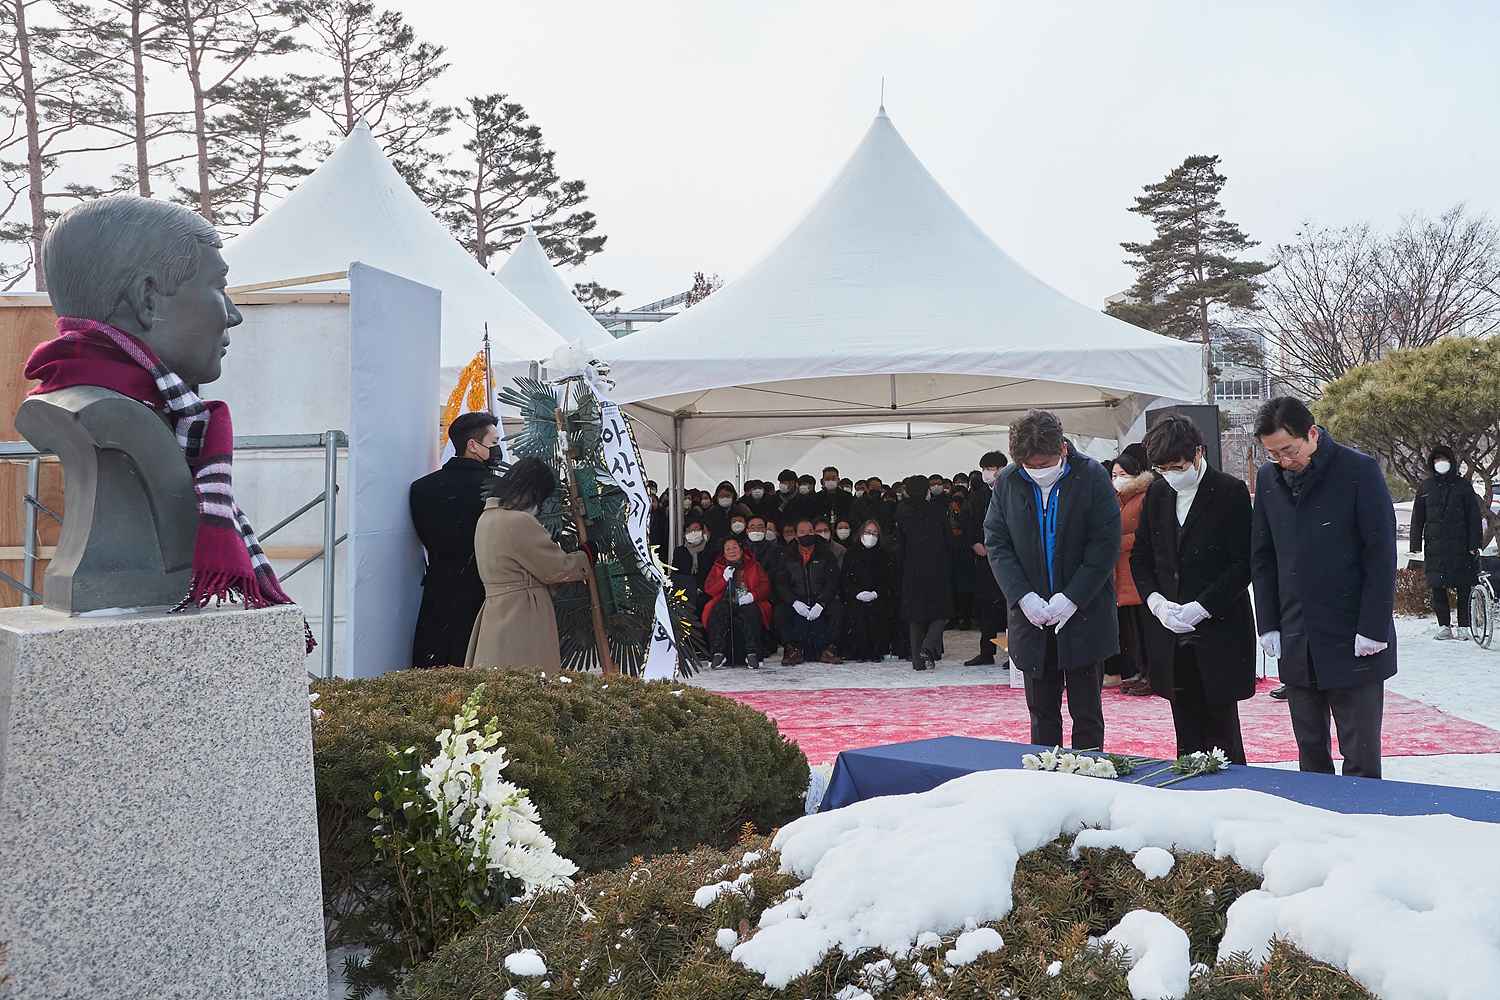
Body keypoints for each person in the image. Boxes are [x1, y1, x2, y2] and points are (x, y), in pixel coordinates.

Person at [1251, 397, 1396, 779]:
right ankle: (1316, 828)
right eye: (1273, 454)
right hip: (1297, 635)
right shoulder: (1269, 479)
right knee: (1310, 749)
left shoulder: (1358, 471)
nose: (1284, 461)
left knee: (1360, 752)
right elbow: (1263, 556)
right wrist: (1268, 623)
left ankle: (1363, 824)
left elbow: (1380, 555)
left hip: (1353, 633)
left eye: (1289, 450)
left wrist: (1373, 627)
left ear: (1312, 433)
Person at [985, 409, 1120, 750]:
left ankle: (1089, 771)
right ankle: (1046, 777)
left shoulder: (1091, 476)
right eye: (1031, 465)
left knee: (1087, 711)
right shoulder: (1009, 481)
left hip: (1085, 612)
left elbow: (1105, 544)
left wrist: (1072, 597)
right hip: (1032, 617)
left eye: (1045, 463)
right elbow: (997, 542)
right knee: (1041, 712)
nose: (1038, 471)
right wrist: (1023, 596)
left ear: (1062, 448)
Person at [1129, 417, 1255, 763]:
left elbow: (1242, 563)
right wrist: (1155, 602)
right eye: (1163, 468)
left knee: (1223, 731)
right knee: (1185, 727)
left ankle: (1233, 795)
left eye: (1178, 466)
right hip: (1170, 629)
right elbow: (1141, 557)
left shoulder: (1230, 491)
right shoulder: (1157, 492)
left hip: (1218, 626)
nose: (1171, 474)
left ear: (1198, 453)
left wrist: (1202, 607)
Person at [465, 458, 591, 674]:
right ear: (533, 491)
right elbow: (556, 568)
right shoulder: (518, 521)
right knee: (528, 679)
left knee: (500, 680)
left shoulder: (486, 518)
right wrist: (586, 556)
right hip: (522, 614)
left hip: (496, 611)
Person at [408, 412, 499, 668]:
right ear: (473, 445)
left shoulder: (421, 488)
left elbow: (425, 535)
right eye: (493, 443)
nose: (496, 450)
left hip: (439, 589)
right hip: (484, 591)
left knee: (435, 670)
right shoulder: (498, 489)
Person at [1410, 445, 1483, 640]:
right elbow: (1418, 518)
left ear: (1451, 462)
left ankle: (1464, 626)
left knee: (1463, 586)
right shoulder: (1426, 487)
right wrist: (1415, 544)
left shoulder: (1463, 486)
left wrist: (1474, 543)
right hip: (1435, 546)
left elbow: (1473, 517)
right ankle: (1444, 626)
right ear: (1432, 463)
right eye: (1436, 460)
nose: (1440, 463)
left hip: (1461, 546)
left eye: (1443, 459)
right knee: (1438, 587)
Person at [1104, 448, 1154, 694]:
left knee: (1146, 627)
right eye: (1114, 474)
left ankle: (1152, 674)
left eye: (1122, 473)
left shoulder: (1145, 497)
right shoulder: (1117, 499)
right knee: (1131, 629)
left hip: (1139, 571)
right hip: (1121, 574)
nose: (1117, 478)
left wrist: (1117, 543)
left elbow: (1148, 534)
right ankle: (1140, 671)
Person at [896, 473, 954, 671]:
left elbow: (900, 543)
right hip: (937, 567)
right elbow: (948, 539)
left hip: (911, 568)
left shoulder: (901, 511)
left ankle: (917, 660)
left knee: (915, 616)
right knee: (942, 611)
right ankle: (928, 646)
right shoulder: (937, 510)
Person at [774, 519, 843, 665]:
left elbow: (832, 581)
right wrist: (793, 602)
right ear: (796, 535)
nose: (807, 535)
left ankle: (829, 650)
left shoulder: (825, 552)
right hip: (797, 599)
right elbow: (781, 583)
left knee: (837, 609)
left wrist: (821, 602)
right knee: (780, 611)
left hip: (820, 598)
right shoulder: (786, 554)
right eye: (802, 532)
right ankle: (791, 650)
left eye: (810, 531)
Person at [964, 451, 1009, 666]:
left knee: (1011, 606)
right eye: (985, 469)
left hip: (1008, 558)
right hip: (984, 559)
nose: (988, 473)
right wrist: (974, 544)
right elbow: (969, 523)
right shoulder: (978, 496)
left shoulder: (1013, 491)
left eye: (992, 469)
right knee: (986, 606)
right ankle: (986, 651)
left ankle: (1014, 654)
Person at [702, 537, 772, 669]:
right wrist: (723, 579)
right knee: (717, 612)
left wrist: (752, 596)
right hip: (725, 600)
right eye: (728, 549)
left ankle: (752, 653)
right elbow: (709, 589)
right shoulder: (718, 566)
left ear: (741, 549)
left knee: (751, 613)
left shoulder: (753, 565)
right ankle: (718, 653)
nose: (731, 551)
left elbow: (765, 585)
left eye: (734, 547)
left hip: (747, 600)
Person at [842, 518, 895, 661]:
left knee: (877, 614)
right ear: (861, 533)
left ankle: (876, 651)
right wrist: (856, 593)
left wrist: (876, 593)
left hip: (877, 597)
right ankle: (858, 651)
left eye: (874, 533)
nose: (871, 536)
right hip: (855, 597)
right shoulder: (851, 553)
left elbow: (888, 580)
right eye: (868, 532)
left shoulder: (884, 555)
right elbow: (845, 579)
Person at [672, 514, 715, 613]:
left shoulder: (710, 550)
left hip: (706, 593)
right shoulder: (679, 551)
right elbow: (676, 574)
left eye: (696, 529)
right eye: (689, 530)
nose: (693, 533)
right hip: (686, 593)